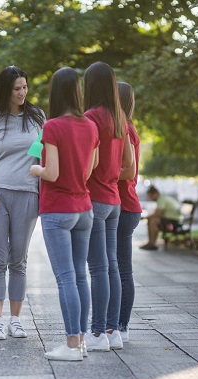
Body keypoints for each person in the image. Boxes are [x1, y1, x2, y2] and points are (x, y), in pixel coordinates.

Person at [30, 67, 99, 361]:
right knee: (80, 276)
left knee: (66, 278)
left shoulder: (53, 126)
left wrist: (36, 169)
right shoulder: (91, 126)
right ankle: (81, 342)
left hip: (58, 209)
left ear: (54, 92)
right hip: (84, 208)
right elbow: (90, 168)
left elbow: (52, 172)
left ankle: (71, 346)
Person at [0, 65, 46, 340]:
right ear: (5, 90)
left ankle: (15, 320)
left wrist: (45, 192)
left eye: (25, 87)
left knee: (19, 260)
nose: (22, 93)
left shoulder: (37, 116)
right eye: (16, 89)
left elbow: (42, 154)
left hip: (28, 193)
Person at [83, 61, 133, 352]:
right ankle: (113, 330)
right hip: (115, 200)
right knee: (112, 266)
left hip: (95, 199)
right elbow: (129, 165)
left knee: (98, 269)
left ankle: (98, 332)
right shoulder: (119, 119)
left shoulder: (90, 117)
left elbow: (91, 161)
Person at [116, 82, 141, 343]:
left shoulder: (125, 129)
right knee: (120, 269)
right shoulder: (127, 128)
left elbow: (129, 170)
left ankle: (122, 324)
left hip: (124, 206)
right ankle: (119, 324)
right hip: (127, 205)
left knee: (121, 270)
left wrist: (101, 175)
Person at [140, 185, 183, 250]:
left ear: (155, 194)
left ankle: (152, 243)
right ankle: (151, 243)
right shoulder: (163, 198)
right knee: (151, 220)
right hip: (172, 220)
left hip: (173, 222)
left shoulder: (161, 200)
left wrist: (144, 218)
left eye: (150, 196)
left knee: (152, 222)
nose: (150, 198)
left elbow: (157, 214)